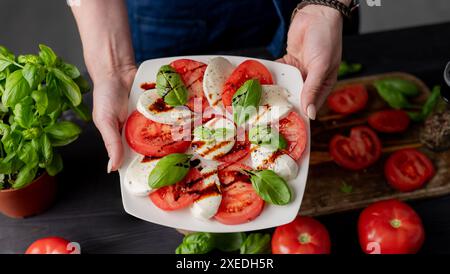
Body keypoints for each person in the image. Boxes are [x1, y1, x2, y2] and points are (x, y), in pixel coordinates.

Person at [71, 0, 352, 173]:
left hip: (297, 6)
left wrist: (329, 6)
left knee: (309, 88)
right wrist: (113, 68)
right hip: (166, 12)